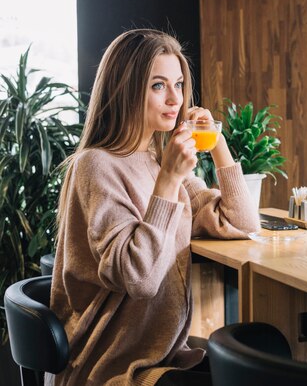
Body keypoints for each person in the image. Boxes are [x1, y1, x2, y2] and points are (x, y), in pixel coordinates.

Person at [47, 29, 260, 385]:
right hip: (110, 368)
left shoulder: (155, 161)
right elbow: (139, 279)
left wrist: (218, 141)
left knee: (263, 345)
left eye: (178, 84)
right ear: (126, 90)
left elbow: (241, 221)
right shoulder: (96, 166)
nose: (174, 99)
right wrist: (169, 182)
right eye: (158, 86)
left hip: (163, 356)